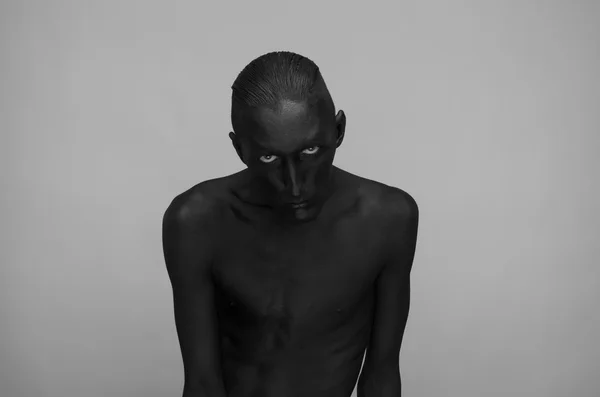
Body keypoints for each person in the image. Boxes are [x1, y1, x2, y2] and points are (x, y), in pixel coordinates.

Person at [162, 51, 419, 397]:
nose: (295, 185)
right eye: (269, 158)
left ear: (339, 130)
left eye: (311, 151)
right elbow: (203, 384)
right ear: (240, 149)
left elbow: (381, 375)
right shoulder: (195, 222)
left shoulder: (389, 218)